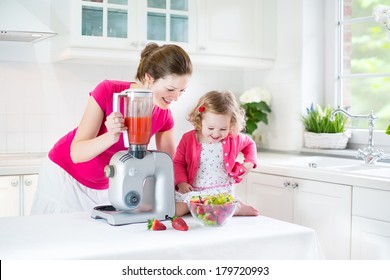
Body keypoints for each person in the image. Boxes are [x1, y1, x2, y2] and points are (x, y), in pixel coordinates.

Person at [31, 43, 193, 214]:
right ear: (149, 77)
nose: (176, 97)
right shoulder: (108, 91)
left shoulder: (164, 116)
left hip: (104, 186)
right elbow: (77, 153)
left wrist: (186, 193)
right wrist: (111, 136)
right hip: (64, 179)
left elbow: (167, 165)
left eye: (182, 91)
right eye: (170, 89)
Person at [173, 90, 260, 217]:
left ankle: (238, 208)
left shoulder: (233, 137)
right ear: (200, 119)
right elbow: (178, 163)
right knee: (176, 211)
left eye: (223, 129)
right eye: (210, 128)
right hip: (194, 191)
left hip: (220, 192)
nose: (216, 134)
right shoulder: (188, 139)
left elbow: (249, 144)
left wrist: (249, 163)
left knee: (217, 211)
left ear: (231, 124)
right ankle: (235, 206)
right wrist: (181, 182)